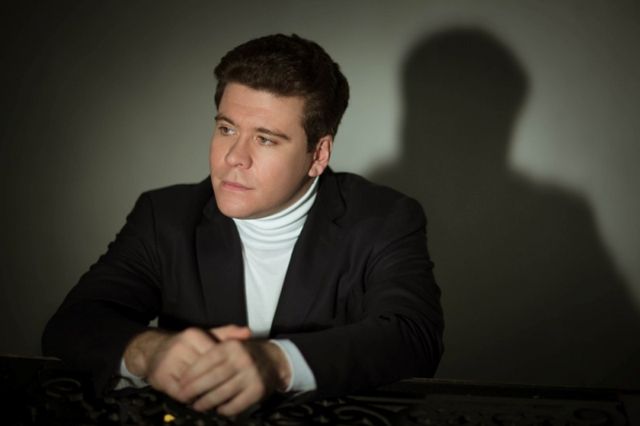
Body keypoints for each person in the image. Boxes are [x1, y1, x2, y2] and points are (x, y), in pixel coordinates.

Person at [42, 34, 444, 416]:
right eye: (227, 129)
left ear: (319, 154)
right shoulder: (164, 215)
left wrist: (276, 362)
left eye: (265, 139)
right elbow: (73, 323)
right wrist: (149, 351)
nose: (234, 156)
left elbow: (412, 337)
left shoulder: (385, 218)